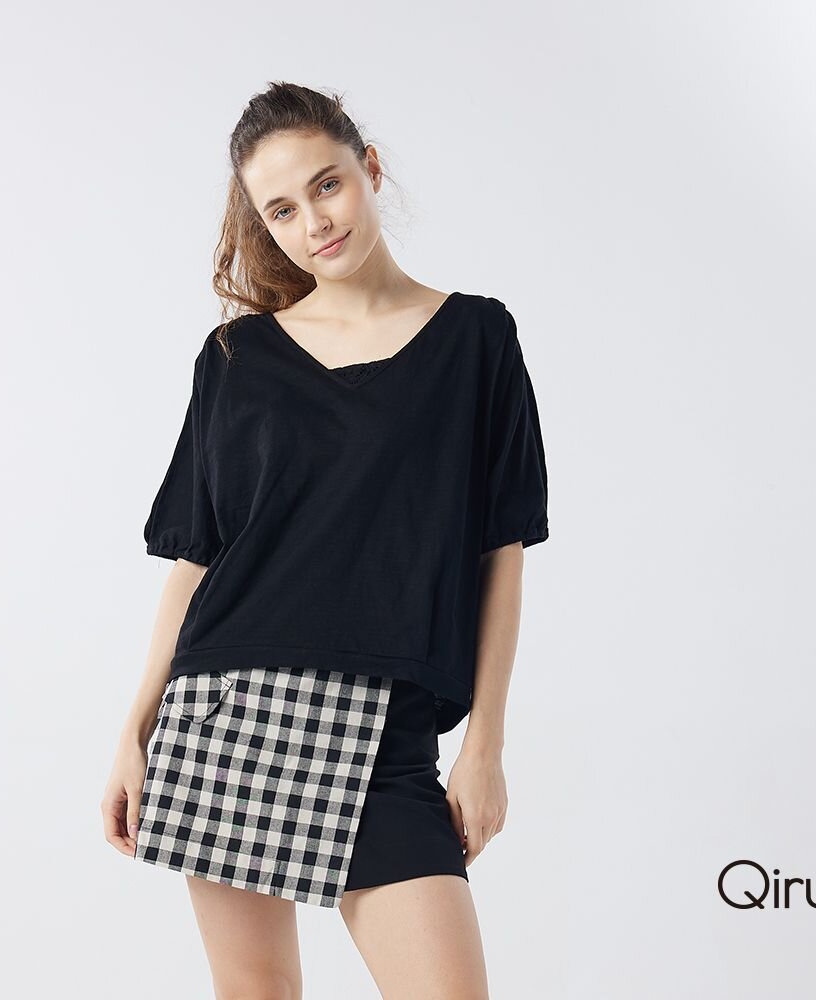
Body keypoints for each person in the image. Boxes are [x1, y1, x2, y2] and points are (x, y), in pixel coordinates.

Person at [101, 81, 550, 1000]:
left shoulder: (476, 338)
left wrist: (486, 746)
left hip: (388, 728)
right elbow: (197, 559)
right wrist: (132, 732)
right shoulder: (236, 360)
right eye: (281, 210)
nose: (314, 222)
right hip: (226, 716)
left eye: (327, 185)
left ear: (368, 168)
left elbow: (500, 552)